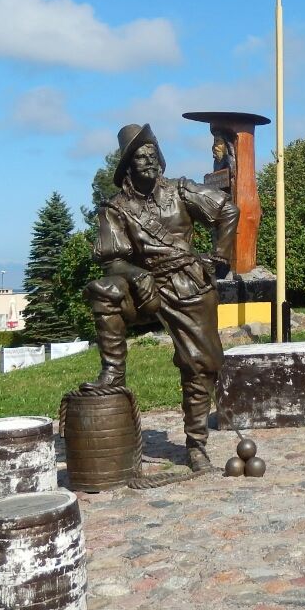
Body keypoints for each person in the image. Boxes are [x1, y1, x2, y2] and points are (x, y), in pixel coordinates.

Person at [86, 123, 238, 472]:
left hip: (187, 284)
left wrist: (222, 254)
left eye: (152, 154)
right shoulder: (116, 207)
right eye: (140, 156)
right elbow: (112, 258)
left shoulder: (181, 191)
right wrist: (135, 274)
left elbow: (227, 210)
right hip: (143, 289)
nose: (148, 161)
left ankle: (196, 444)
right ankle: (112, 374)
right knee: (103, 291)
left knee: (201, 364)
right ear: (127, 165)